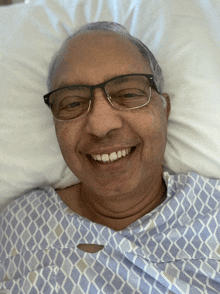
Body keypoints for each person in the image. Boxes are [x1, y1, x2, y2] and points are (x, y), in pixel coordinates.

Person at [0, 21, 219, 294]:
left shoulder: (214, 214)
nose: (101, 126)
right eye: (73, 103)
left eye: (128, 94)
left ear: (165, 111)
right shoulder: (19, 225)